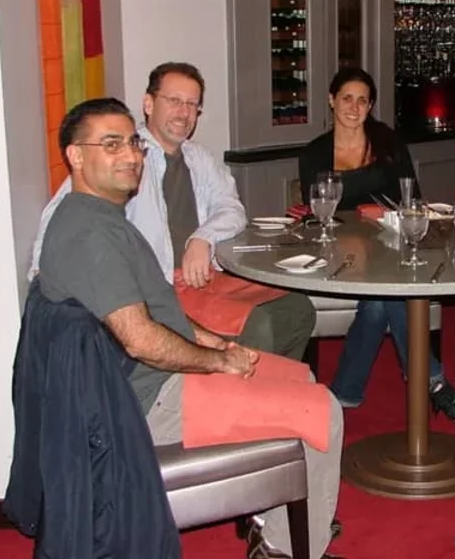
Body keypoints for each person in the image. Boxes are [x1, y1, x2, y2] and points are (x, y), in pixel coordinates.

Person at [36, 98, 343, 559]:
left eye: (133, 143)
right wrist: (218, 361)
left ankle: (275, 521)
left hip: (148, 382)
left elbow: (161, 315)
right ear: (76, 156)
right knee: (325, 409)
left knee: (301, 378)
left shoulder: (100, 216)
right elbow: (141, 340)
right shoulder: (89, 236)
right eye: (111, 144)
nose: (131, 155)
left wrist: (217, 342)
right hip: (146, 402)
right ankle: (283, 549)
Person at [31, 62, 315, 361]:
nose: (184, 113)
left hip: (204, 277)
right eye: (175, 101)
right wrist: (49, 291)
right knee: (258, 325)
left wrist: (202, 238)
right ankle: (243, 397)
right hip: (161, 289)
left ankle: (279, 385)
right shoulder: (123, 161)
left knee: (297, 308)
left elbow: (231, 208)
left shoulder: (198, 157)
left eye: (193, 105)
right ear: (148, 103)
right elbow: (60, 219)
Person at [298, 67, 455, 423]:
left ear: (371, 106)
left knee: (379, 304)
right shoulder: (314, 154)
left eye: (362, 100)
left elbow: (414, 201)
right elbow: (317, 211)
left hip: (391, 247)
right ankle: (434, 383)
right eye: (346, 98)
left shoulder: (388, 143)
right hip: (340, 252)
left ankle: (346, 392)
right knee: (383, 299)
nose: (354, 106)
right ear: (332, 101)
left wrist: (386, 214)